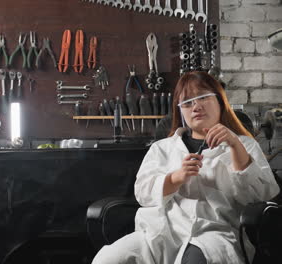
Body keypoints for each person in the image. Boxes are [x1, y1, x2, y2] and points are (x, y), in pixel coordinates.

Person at [92, 71, 279, 264]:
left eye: (203, 97)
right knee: (108, 259)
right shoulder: (162, 148)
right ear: (181, 111)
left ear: (220, 102)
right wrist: (175, 178)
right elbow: (143, 193)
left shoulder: (244, 144)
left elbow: (263, 194)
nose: (196, 106)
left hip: (216, 233)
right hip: (159, 232)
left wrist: (234, 145)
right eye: (188, 103)